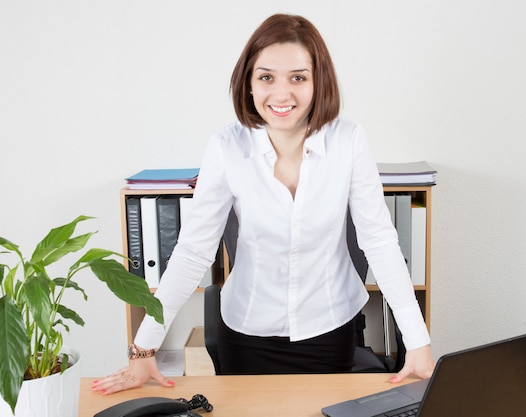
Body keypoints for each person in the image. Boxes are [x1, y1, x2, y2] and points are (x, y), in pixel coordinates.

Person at [92, 13, 435, 395]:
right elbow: (193, 252)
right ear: (249, 83)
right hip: (247, 333)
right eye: (267, 77)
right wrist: (143, 350)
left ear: (318, 81)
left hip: (330, 329)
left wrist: (418, 342)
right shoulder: (227, 147)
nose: (282, 94)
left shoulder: (348, 141)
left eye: (298, 77)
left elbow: (379, 240)